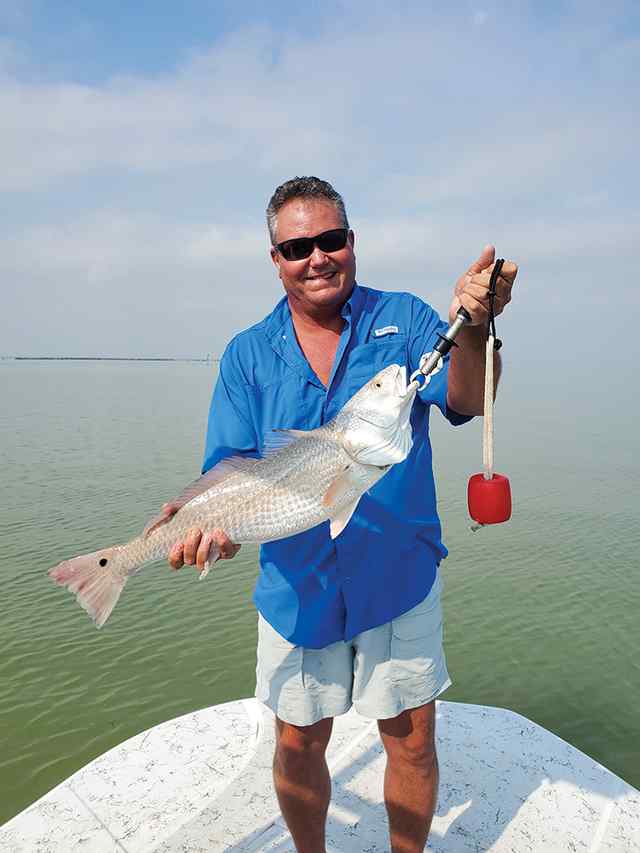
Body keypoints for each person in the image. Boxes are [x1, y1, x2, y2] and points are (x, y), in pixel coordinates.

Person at [162, 177, 517, 853]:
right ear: (276, 258)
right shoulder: (247, 353)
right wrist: (213, 532)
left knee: (412, 741)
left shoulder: (409, 321)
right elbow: (228, 473)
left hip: (399, 577)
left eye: (330, 240)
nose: (316, 257)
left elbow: (466, 399)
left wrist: (474, 326)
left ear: (352, 243)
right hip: (297, 588)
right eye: (298, 246)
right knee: (297, 741)